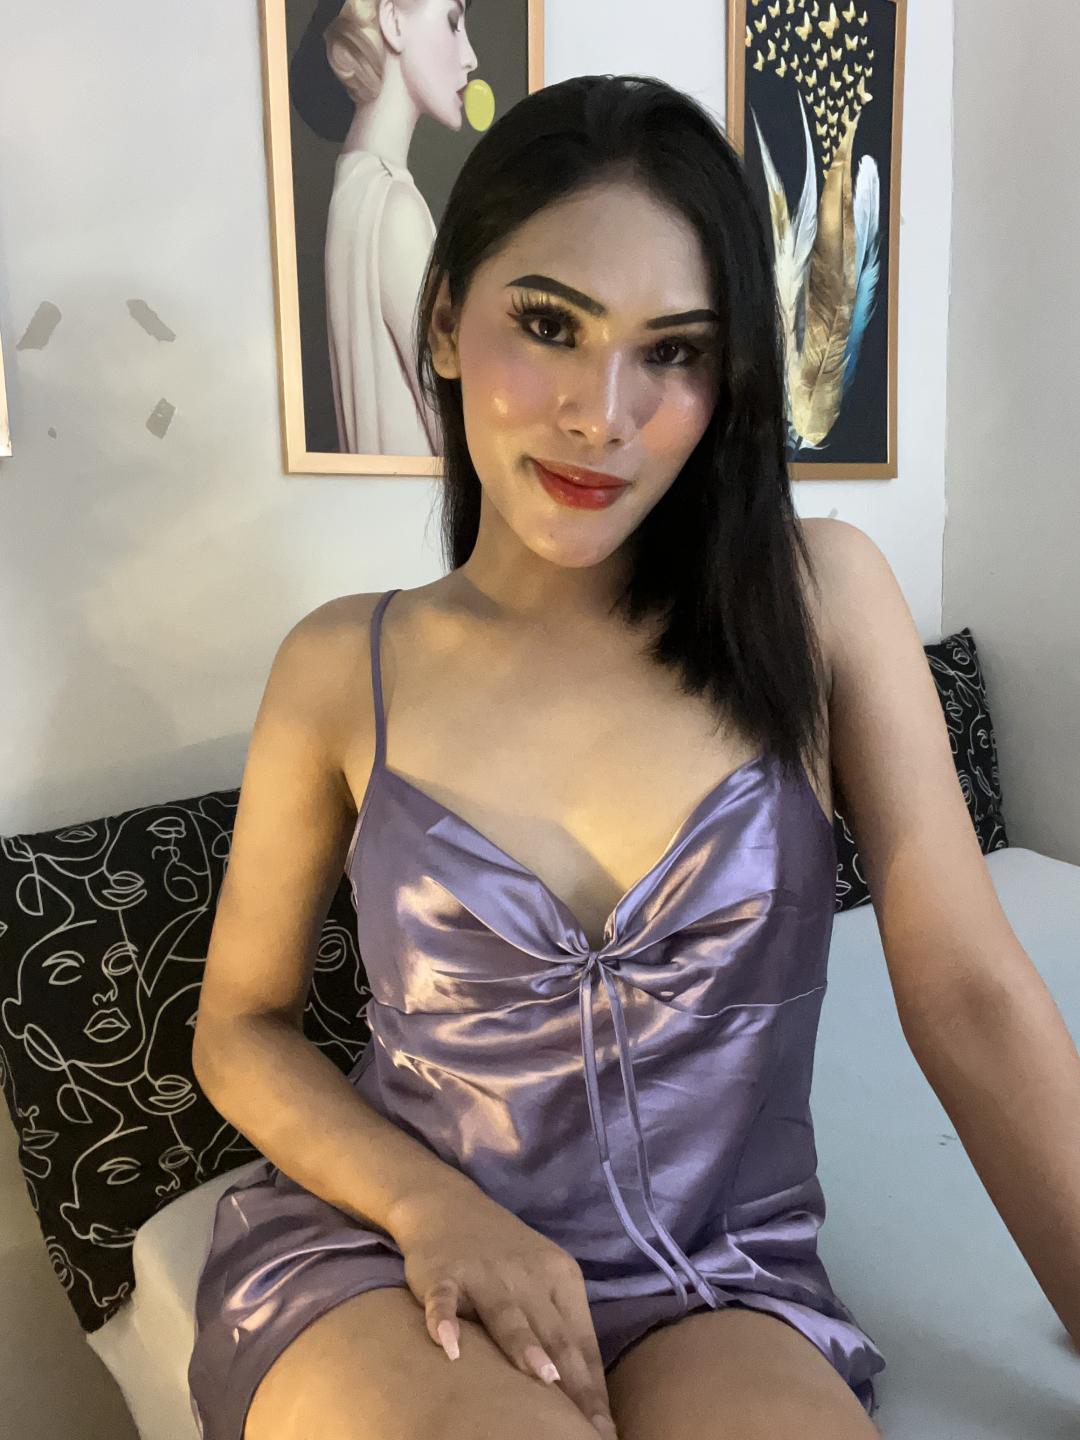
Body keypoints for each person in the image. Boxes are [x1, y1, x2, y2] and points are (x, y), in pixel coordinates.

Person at [187, 72, 1080, 1440]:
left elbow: (967, 992)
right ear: (446, 321)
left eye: (672, 352)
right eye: (550, 324)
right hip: (393, 1257)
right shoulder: (337, 664)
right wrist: (429, 1205)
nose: (602, 414)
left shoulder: (820, 601)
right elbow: (239, 1024)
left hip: (722, 1275)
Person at [322, 0, 478, 456]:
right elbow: (459, 439)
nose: (470, 57)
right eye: (453, 22)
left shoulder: (355, 186)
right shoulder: (396, 206)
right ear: (393, 22)